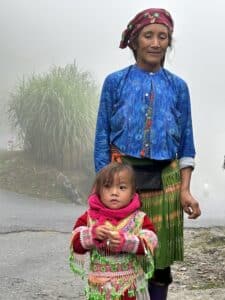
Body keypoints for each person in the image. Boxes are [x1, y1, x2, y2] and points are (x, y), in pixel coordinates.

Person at [94, 8, 201, 300]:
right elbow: (102, 137)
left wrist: (186, 191)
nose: (155, 43)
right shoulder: (115, 83)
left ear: (169, 43)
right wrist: (103, 190)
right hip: (122, 183)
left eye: (162, 36)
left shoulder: (178, 88)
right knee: (120, 259)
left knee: (158, 263)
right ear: (135, 41)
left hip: (167, 183)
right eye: (148, 35)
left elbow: (186, 144)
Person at [70, 162, 158, 300]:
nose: (114, 192)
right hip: (100, 291)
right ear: (98, 190)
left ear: (132, 192)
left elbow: (151, 241)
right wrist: (93, 235)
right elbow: (75, 242)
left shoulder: (139, 219)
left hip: (130, 289)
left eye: (122, 187)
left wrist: (127, 242)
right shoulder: (89, 217)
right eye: (107, 186)